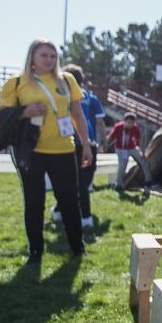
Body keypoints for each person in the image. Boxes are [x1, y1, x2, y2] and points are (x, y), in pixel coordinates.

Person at [0, 38, 93, 263]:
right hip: (31, 151)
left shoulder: (67, 80)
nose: (49, 60)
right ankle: (35, 251)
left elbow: (77, 113)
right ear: (32, 57)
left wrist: (85, 143)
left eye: (53, 56)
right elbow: (1, 116)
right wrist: (24, 111)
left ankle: (77, 247)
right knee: (34, 201)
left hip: (63, 149)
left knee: (69, 200)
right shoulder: (17, 82)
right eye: (44, 55)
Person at [50, 63, 106, 228]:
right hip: (78, 143)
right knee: (80, 182)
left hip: (81, 143)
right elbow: (100, 123)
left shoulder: (71, 97)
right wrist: (103, 141)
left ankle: (62, 210)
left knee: (77, 182)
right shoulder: (63, 97)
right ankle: (85, 217)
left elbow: (99, 121)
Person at [107, 113, 154, 190]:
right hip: (121, 148)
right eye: (129, 122)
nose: (130, 124)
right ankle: (119, 184)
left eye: (132, 122)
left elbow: (139, 138)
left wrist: (141, 151)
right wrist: (105, 145)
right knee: (122, 166)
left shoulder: (135, 127)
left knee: (143, 161)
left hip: (132, 147)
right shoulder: (118, 127)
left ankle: (148, 181)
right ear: (124, 121)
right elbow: (110, 137)